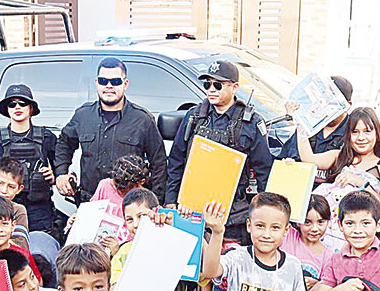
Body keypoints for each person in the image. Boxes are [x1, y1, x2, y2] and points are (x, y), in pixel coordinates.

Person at [165, 60, 274, 244]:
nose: (211, 90)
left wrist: (262, 213)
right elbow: (176, 161)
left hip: (232, 213)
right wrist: (171, 201)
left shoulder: (251, 122)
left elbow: (264, 170)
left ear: (235, 88)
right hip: (191, 208)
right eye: (207, 84)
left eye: (218, 84)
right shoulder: (193, 116)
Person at [200, 192, 308, 291]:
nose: (266, 234)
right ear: (249, 226)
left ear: (286, 230)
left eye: (275, 228)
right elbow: (210, 272)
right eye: (260, 226)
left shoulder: (293, 266)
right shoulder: (237, 257)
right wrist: (217, 233)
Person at [55, 57, 167, 204]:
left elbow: (159, 164)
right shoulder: (82, 115)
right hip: (89, 202)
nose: (108, 86)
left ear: (125, 84)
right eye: (103, 81)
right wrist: (61, 173)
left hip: (129, 206)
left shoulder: (142, 120)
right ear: (96, 83)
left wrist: (153, 203)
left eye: (115, 81)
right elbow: (64, 144)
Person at [0, 84, 57, 232]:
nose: (17, 107)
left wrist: (54, 176)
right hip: (4, 210)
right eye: (12, 104)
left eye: (23, 103)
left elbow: (61, 167)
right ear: (7, 110)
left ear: (31, 109)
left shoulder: (47, 138)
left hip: (39, 209)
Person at [283, 76, 354, 182]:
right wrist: (289, 163)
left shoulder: (353, 134)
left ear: (347, 105)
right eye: (324, 99)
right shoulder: (308, 124)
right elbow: (287, 155)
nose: (327, 106)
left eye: (334, 102)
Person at [280, 193, 334, 291]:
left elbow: (327, 286)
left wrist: (316, 283)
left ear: (328, 222)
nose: (314, 228)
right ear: (298, 222)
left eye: (321, 222)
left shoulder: (329, 256)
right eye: (307, 222)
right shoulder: (287, 235)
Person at [92, 154, 150, 250]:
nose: (119, 191)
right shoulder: (105, 185)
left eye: (125, 189)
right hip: (99, 247)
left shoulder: (144, 200)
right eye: (116, 186)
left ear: (141, 183)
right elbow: (90, 213)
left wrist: (117, 250)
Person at [325, 108, 380, 192]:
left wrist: (361, 183)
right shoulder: (340, 156)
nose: (361, 138)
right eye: (355, 132)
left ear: (377, 133)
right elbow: (308, 158)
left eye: (367, 131)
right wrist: (302, 129)